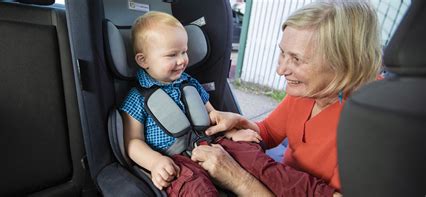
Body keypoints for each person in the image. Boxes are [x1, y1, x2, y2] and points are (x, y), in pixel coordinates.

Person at [191, 1, 382, 196]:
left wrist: (239, 181)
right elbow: (269, 132)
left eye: (297, 60)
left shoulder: (369, 128)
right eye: (282, 53)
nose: (280, 70)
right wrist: (241, 124)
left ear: (343, 64)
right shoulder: (311, 89)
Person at [119, 11, 269, 197]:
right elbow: (133, 142)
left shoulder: (190, 83)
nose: (182, 60)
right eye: (172, 55)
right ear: (144, 60)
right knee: (196, 189)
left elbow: (215, 117)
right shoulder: (137, 97)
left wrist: (232, 133)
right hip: (176, 160)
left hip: (211, 144)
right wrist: (155, 162)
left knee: (252, 155)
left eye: (184, 52)